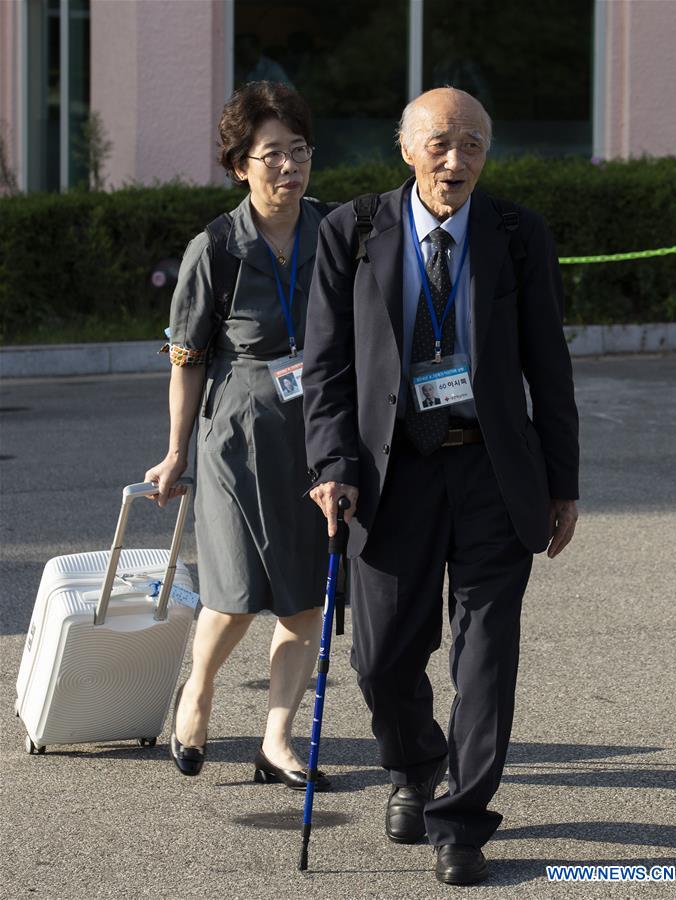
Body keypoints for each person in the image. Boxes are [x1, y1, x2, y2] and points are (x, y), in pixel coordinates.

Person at [302, 87, 579, 885]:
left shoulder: (518, 235)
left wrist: (563, 483)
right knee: (382, 659)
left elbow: (547, 369)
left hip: (494, 467)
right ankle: (414, 765)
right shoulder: (350, 232)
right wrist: (331, 466)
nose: (457, 162)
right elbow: (326, 370)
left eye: (475, 147)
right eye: (441, 144)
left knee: (486, 656)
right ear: (406, 148)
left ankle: (461, 818)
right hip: (391, 471)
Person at [145, 81, 332, 791]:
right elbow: (187, 363)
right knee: (232, 594)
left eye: (299, 150)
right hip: (235, 437)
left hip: (317, 436)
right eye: (272, 154)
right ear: (239, 164)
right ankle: (199, 691)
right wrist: (176, 451)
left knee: (304, 598)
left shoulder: (335, 231)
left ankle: (277, 740)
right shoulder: (216, 248)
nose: (289, 166)